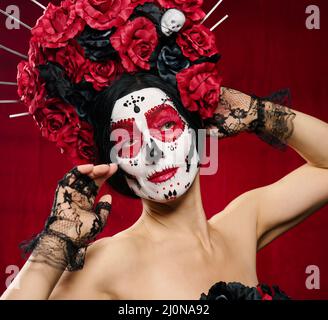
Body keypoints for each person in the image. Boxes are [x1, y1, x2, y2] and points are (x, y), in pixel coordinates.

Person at [1, 72, 328, 300]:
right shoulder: (110, 261)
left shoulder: (242, 224)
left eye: (167, 125)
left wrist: (259, 113)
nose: (153, 152)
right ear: (115, 163)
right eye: (129, 141)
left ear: (197, 130)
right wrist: (55, 242)